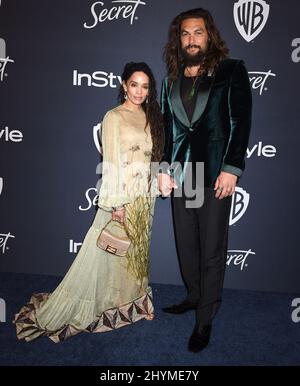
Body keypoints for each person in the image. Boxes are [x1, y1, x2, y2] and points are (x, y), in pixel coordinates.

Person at [14, 62, 165, 343]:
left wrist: (160, 179)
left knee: (137, 254)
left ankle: (137, 304)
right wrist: (116, 204)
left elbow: (150, 158)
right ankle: (101, 304)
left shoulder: (150, 116)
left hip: (145, 198)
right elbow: (109, 163)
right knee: (108, 254)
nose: (139, 91)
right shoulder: (113, 117)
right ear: (123, 85)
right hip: (121, 196)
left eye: (145, 86)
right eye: (134, 84)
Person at [159, 8, 252, 352]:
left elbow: (240, 120)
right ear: (178, 39)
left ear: (209, 35)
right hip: (183, 174)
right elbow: (167, 130)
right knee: (187, 245)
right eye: (185, 34)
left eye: (198, 32)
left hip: (214, 173)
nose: (192, 39)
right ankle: (194, 297)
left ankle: (205, 318)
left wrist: (232, 167)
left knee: (212, 249)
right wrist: (163, 168)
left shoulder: (231, 70)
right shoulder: (171, 79)